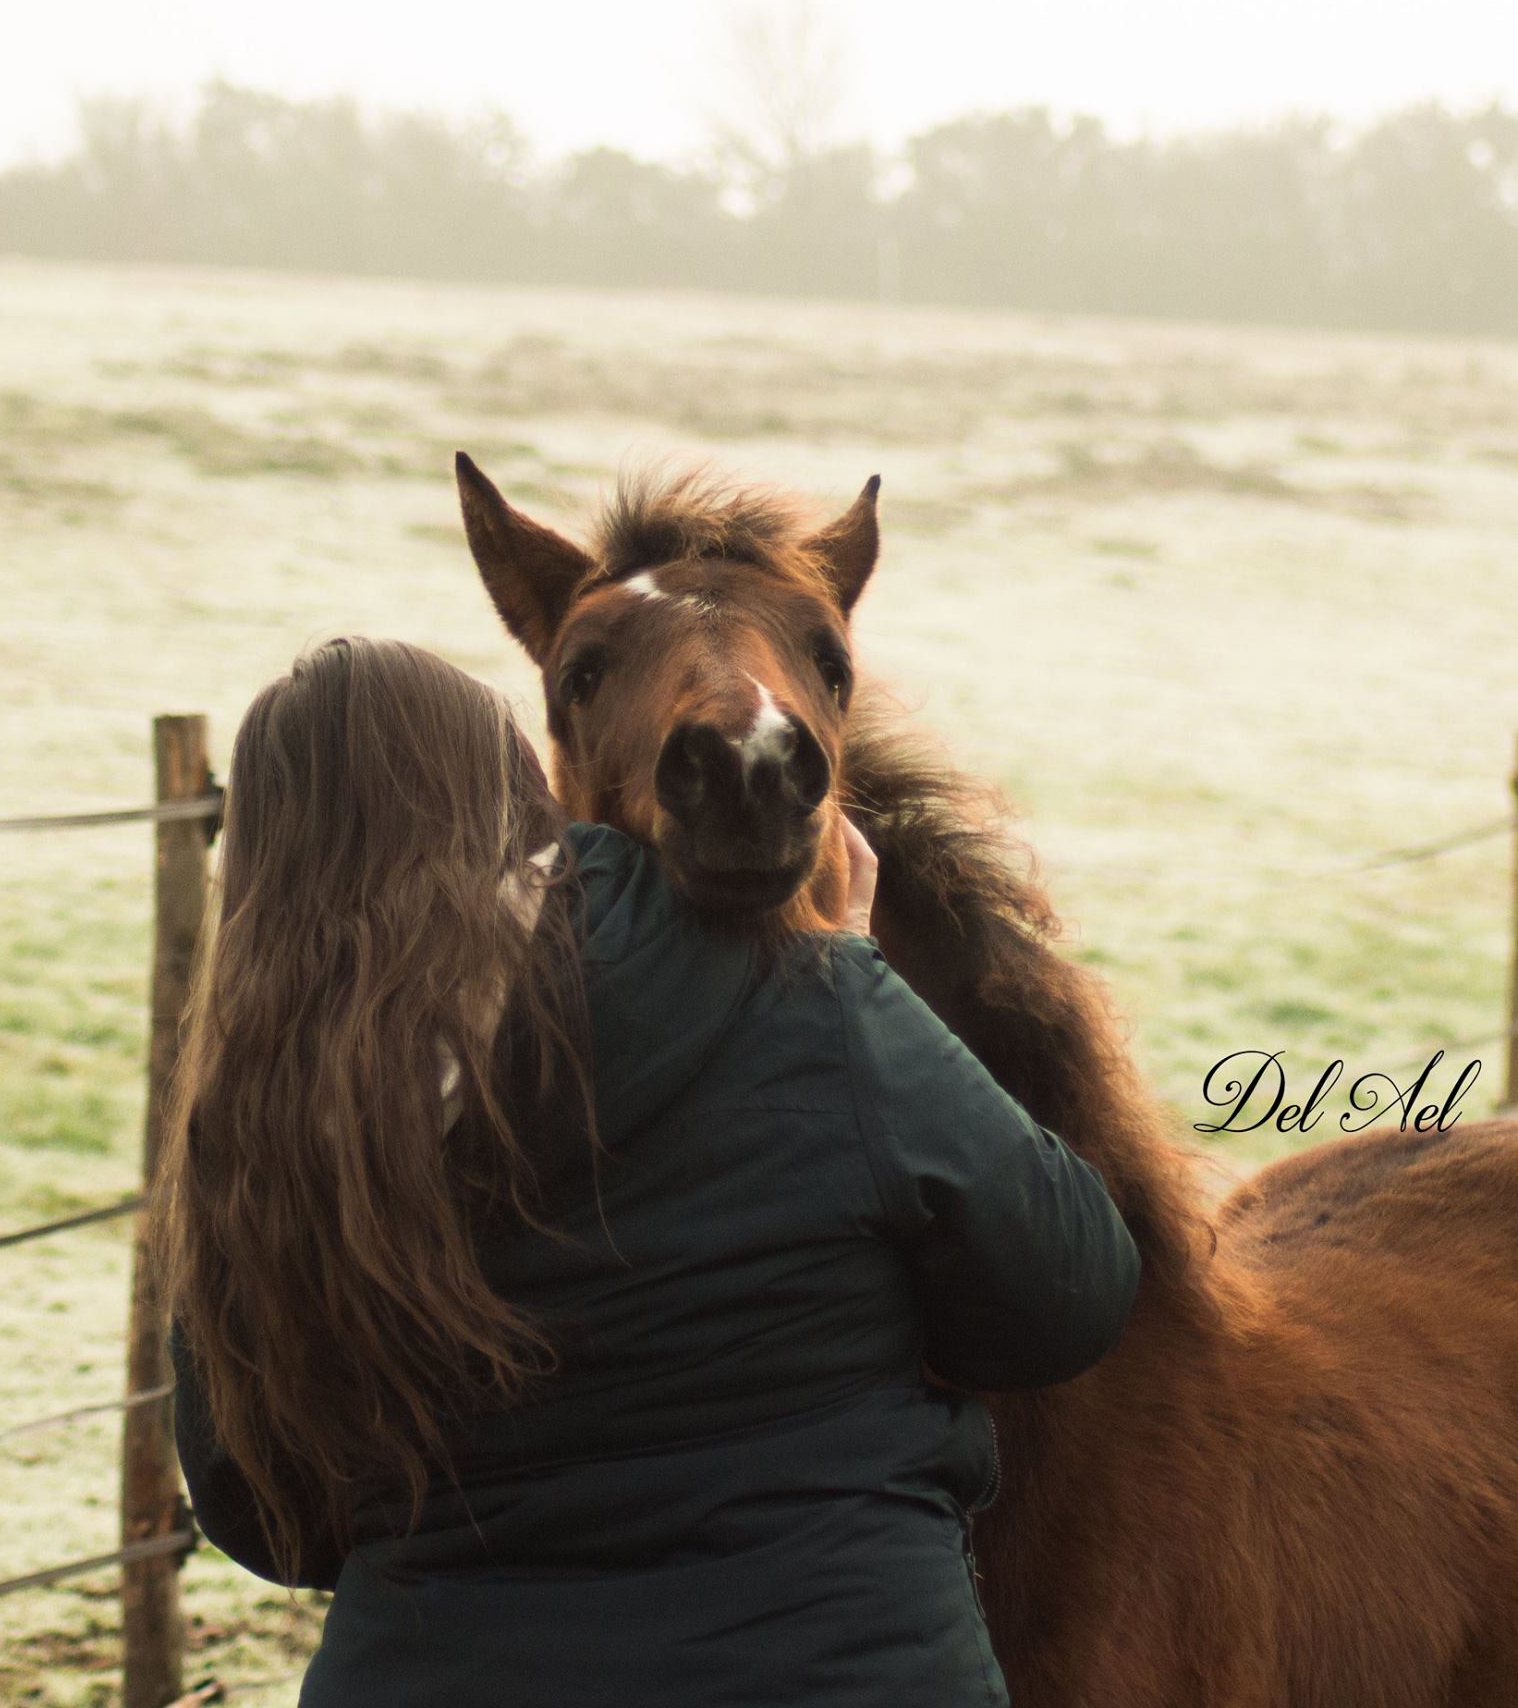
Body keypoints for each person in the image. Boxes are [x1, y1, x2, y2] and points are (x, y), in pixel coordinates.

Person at [156, 636, 1140, 1708]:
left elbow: (265, 1516)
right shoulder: (796, 985)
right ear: (518, 790)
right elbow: (1068, 1292)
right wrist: (853, 969)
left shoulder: (257, 1127)